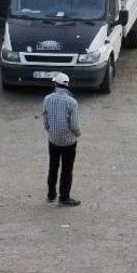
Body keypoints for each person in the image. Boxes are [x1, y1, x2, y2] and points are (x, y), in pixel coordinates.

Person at [42, 73, 81, 206]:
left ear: (55, 84)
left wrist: (51, 132)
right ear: (67, 85)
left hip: (53, 140)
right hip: (69, 142)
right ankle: (64, 198)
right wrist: (78, 134)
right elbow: (74, 125)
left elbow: (45, 120)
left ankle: (51, 194)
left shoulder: (47, 99)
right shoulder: (72, 102)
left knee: (53, 166)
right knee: (67, 169)